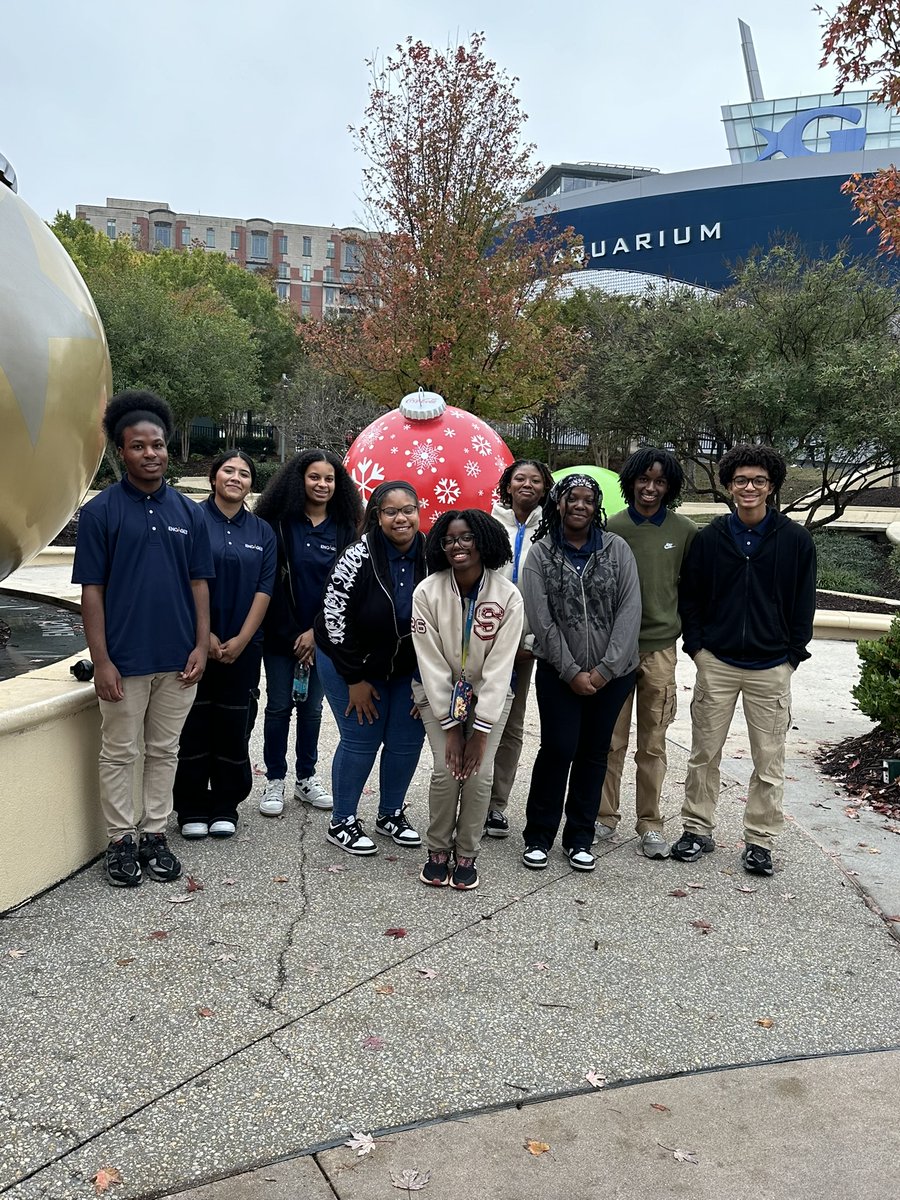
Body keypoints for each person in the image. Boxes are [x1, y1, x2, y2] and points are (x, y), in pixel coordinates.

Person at [72, 391, 214, 887]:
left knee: (163, 751)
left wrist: (200, 646)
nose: (150, 453)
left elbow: (200, 583)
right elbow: (92, 593)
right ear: (120, 452)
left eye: (157, 444)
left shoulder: (190, 513)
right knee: (119, 752)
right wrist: (102, 659)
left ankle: (155, 833)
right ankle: (120, 840)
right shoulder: (100, 514)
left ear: (167, 448)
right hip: (124, 661)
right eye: (138, 446)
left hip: (179, 661)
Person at [674, 444, 816, 877]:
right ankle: (697, 829)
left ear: (771, 486)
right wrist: (697, 648)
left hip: (772, 666)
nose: (749, 487)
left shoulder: (794, 540)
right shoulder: (710, 538)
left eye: (758, 480)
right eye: (741, 480)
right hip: (716, 662)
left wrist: (791, 655)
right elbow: (691, 597)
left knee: (768, 761)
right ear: (729, 486)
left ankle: (759, 841)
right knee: (704, 754)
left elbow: (802, 602)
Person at [520, 474, 640, 872]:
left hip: (614, 674)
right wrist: (572, 671)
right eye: (572, 499)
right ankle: (538, 836)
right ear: (558, 503)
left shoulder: (616, 549)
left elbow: (629, 611)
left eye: (589, 500)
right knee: (558, 748)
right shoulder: (541, 554)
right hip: (559, 673)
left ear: (596, 507)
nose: (580, 506)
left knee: (593, 753)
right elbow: (540, 618)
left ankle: (580, 839)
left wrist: (605, 670)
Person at [412, 510, 524, 891]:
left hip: (488, 697)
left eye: (466, 538)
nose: (456, 546)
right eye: (448, 540)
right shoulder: (427, 592)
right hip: (436, 691)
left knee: (478, 774)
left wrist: (478, 729)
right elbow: (430, 665)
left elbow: (500, 666)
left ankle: (466, 853)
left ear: (483, 541)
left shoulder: (507, 595)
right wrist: (451, 727)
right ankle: (437, 849)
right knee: (447, 769)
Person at [314, 481, 426, 855]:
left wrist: (425, 680)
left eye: (408, 509)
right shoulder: (357, 556)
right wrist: (354, 679)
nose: (401, 518)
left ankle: (390, 813)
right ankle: (342, 820)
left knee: (407, 739)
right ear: (376, 516)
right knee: (362, 738)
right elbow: (333, 617)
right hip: (349, 660)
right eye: (390, 511)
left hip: (406, 668)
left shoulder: (433, 556)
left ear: (418, 511)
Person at [596, 448, 698, 859]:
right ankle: (603, 817)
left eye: (660, 482)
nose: (651, 488)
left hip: (660, 651)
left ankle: (650, 823)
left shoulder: (686, 531)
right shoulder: (610, 529)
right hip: (614, 651)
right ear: (631, 482)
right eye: (644, 480)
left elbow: (691, 591)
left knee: (653, 742)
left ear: (669, 486)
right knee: (610, 740)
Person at [173, 451, 276, 839]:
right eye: (228, 471)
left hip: (243, 647)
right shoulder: (191, 520)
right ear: (214, 477)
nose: (236, 478)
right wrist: (208, 635)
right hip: (195, 642)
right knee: (193, 723)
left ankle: (225, 804)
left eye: (244, 473)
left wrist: (242, 639)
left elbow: (265, 589)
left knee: (235, 724)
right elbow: (184, 579)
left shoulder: (262, 532)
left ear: (251, 483)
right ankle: (191, 806)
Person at [254, 449, 362, 817]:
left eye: (329, 478)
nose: (322, 484)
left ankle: (305, 778)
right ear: (300, 480)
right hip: (282, 635)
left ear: (339, 484)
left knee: (312, 710)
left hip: (324, 639)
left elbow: (346, 589)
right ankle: (274, 780)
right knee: (279, 706)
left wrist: (316, 634)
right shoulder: (278, 523)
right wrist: (294, 635)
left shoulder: (346, 526)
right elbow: (270, 584)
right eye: (315, 477)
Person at [484, 458, 554, 838]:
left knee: (510, 724)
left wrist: (533, 642)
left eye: (536, 480)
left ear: (545, 487)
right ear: (508, 485)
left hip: (525, 647)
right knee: (473, 718)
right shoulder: (488, 524)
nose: (527, 485)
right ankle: (469, 796)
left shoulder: (551, 529)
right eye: (519, 479)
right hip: (481, 643)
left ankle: (496, 804)